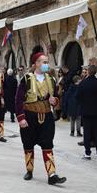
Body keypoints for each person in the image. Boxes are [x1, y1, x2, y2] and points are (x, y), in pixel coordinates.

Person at [15, 52, 66, 185]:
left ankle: (52, 174)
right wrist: (21, 118)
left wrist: (54, 100)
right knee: (28, 143)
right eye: (44, 62)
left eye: (47, 62)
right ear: (36, 63)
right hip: (30, 115)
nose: (46, 65)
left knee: (48, 144)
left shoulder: (51, 79)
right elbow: (19, 100)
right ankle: (29, 170)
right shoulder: (26, 79)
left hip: (47, 115)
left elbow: (55, 99)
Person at [77, 65, 97, 160]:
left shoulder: (83, 83)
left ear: (88, 72)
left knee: (87, 132)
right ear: (95, 72)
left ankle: (87, 153)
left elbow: (78, 96)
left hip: (86, 111)